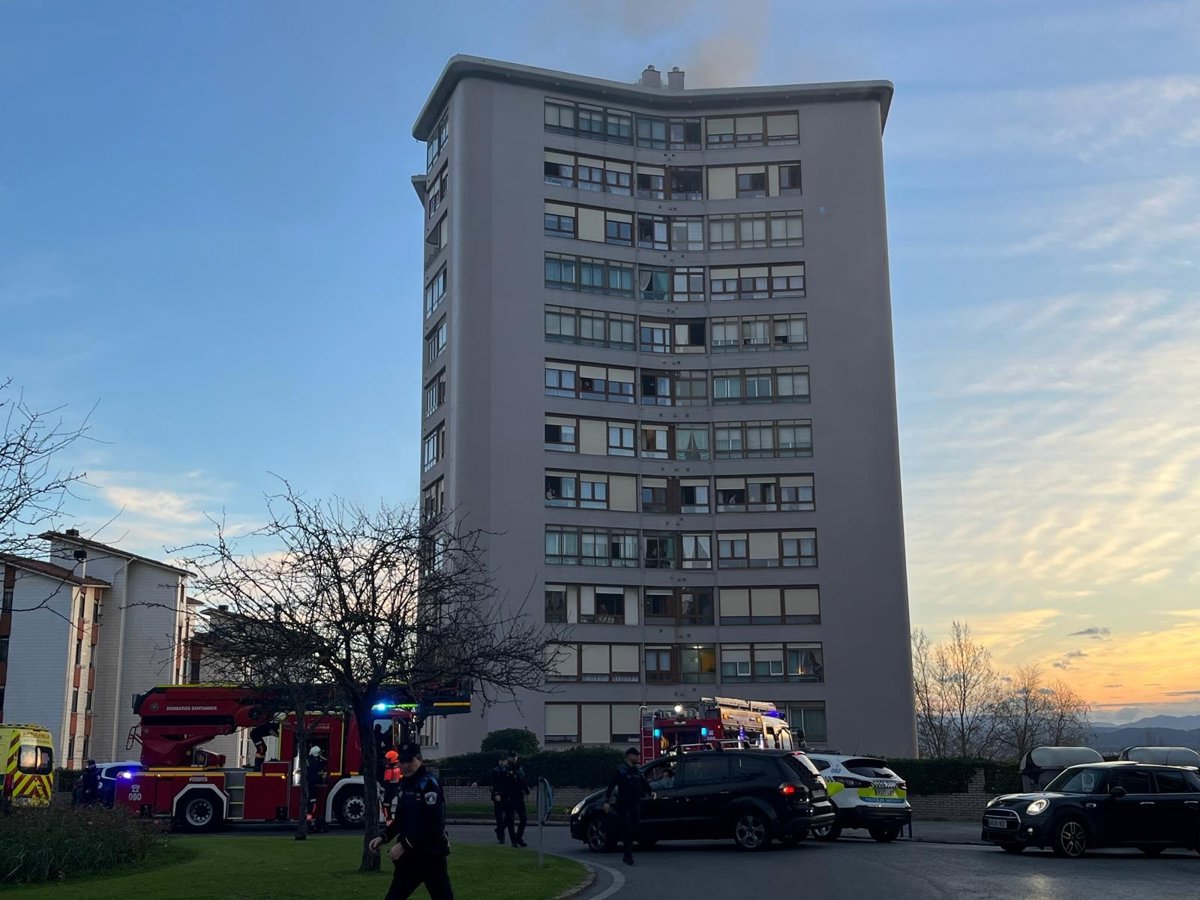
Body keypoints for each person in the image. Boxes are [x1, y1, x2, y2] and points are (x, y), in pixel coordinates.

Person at [369, 742, 453, 900]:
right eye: (402, 761)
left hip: (431, 856)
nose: (405, 766)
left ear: (419, 759)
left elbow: (433, 824)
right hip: (410, 858)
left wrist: (404, 844)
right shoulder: (405, 784)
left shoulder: (429, 784)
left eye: (410, 761)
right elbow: (401, 820)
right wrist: (383, 837)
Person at [603, 747, 654, 866]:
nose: (638, 757)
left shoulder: (637, 771)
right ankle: (627, 855)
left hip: (635, 803)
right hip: (624, 803)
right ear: (629, 756)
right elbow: (611, 786)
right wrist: (606, 801)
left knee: (633, 827)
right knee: (627, 827)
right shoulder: (621, 771)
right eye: (636, 755)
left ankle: (627, 850)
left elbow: (644, 784)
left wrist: (651, 792)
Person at [501, 751, 529, 848]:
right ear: (508, 758)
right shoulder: (506, 768)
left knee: (524, 818)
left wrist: (526, 790)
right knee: (510, 819)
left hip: (519, 795)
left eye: (515, 756)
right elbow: (505, 782)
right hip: (510, 796)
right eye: (511, 757)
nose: (513, 758)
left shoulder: (520, 767)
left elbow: (523, 779)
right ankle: (513, 841)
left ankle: (519, 837)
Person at [489, 754, 510, 845]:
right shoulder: (496, 771)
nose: (503, 762)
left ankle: (499, 830)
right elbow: (494, 783)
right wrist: (496, 793)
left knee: (509, 815)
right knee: (499, 817)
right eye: (502, 760)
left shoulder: (508, 770)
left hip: (506, 795)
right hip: (498, 796)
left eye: (505, 761)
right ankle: (501, 837)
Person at [306, 745, 326, 828]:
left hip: (310, 786)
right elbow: (313, 776)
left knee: (312, 804)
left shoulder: (310, 760)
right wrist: (321, 776)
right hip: (311, 787)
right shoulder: (312, 762)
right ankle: (309, 821)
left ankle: (310, 820)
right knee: (312, 804)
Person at [382, 749, 403, 819]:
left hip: (390, 791)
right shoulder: (399, 768)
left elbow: (387, 782)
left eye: (387, 759)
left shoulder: (390, 770)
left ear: (392, 759)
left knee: (386, 805)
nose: (386, 761)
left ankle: (388, 819)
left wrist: (383, 789)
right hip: (395, 790)